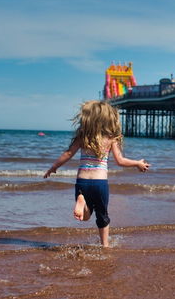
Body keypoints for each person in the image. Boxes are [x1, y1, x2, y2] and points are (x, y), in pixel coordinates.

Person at [44, 100, 150, 247]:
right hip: (100, 182)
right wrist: (137, 163)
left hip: (82, 182)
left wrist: (53, 167)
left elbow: (68, 153)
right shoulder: (110, 138)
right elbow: (120, 161)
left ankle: (82, 201)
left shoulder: (83, 136)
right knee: (102, 216)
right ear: (108, 118)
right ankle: (105, 245)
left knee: (86, 216)